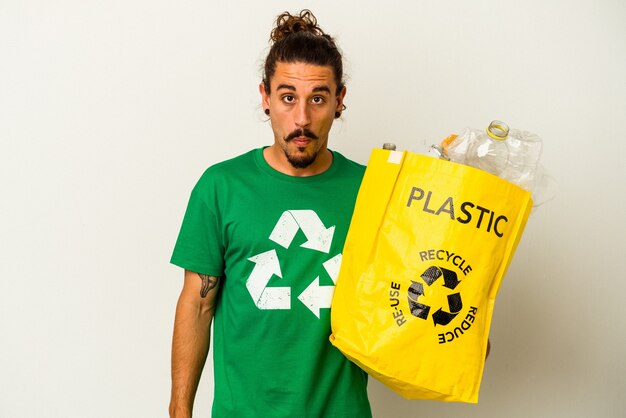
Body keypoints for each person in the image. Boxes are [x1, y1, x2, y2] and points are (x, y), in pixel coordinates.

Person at [169, 10, 372, 418]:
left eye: (318, 98)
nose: (302, 118)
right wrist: (179, 410)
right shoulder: (222, 187)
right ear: (265, 97)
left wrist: (456, 338)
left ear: (339, 100)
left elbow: (400, 291)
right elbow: (197, 304)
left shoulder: (372, 190)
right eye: (287, 97)